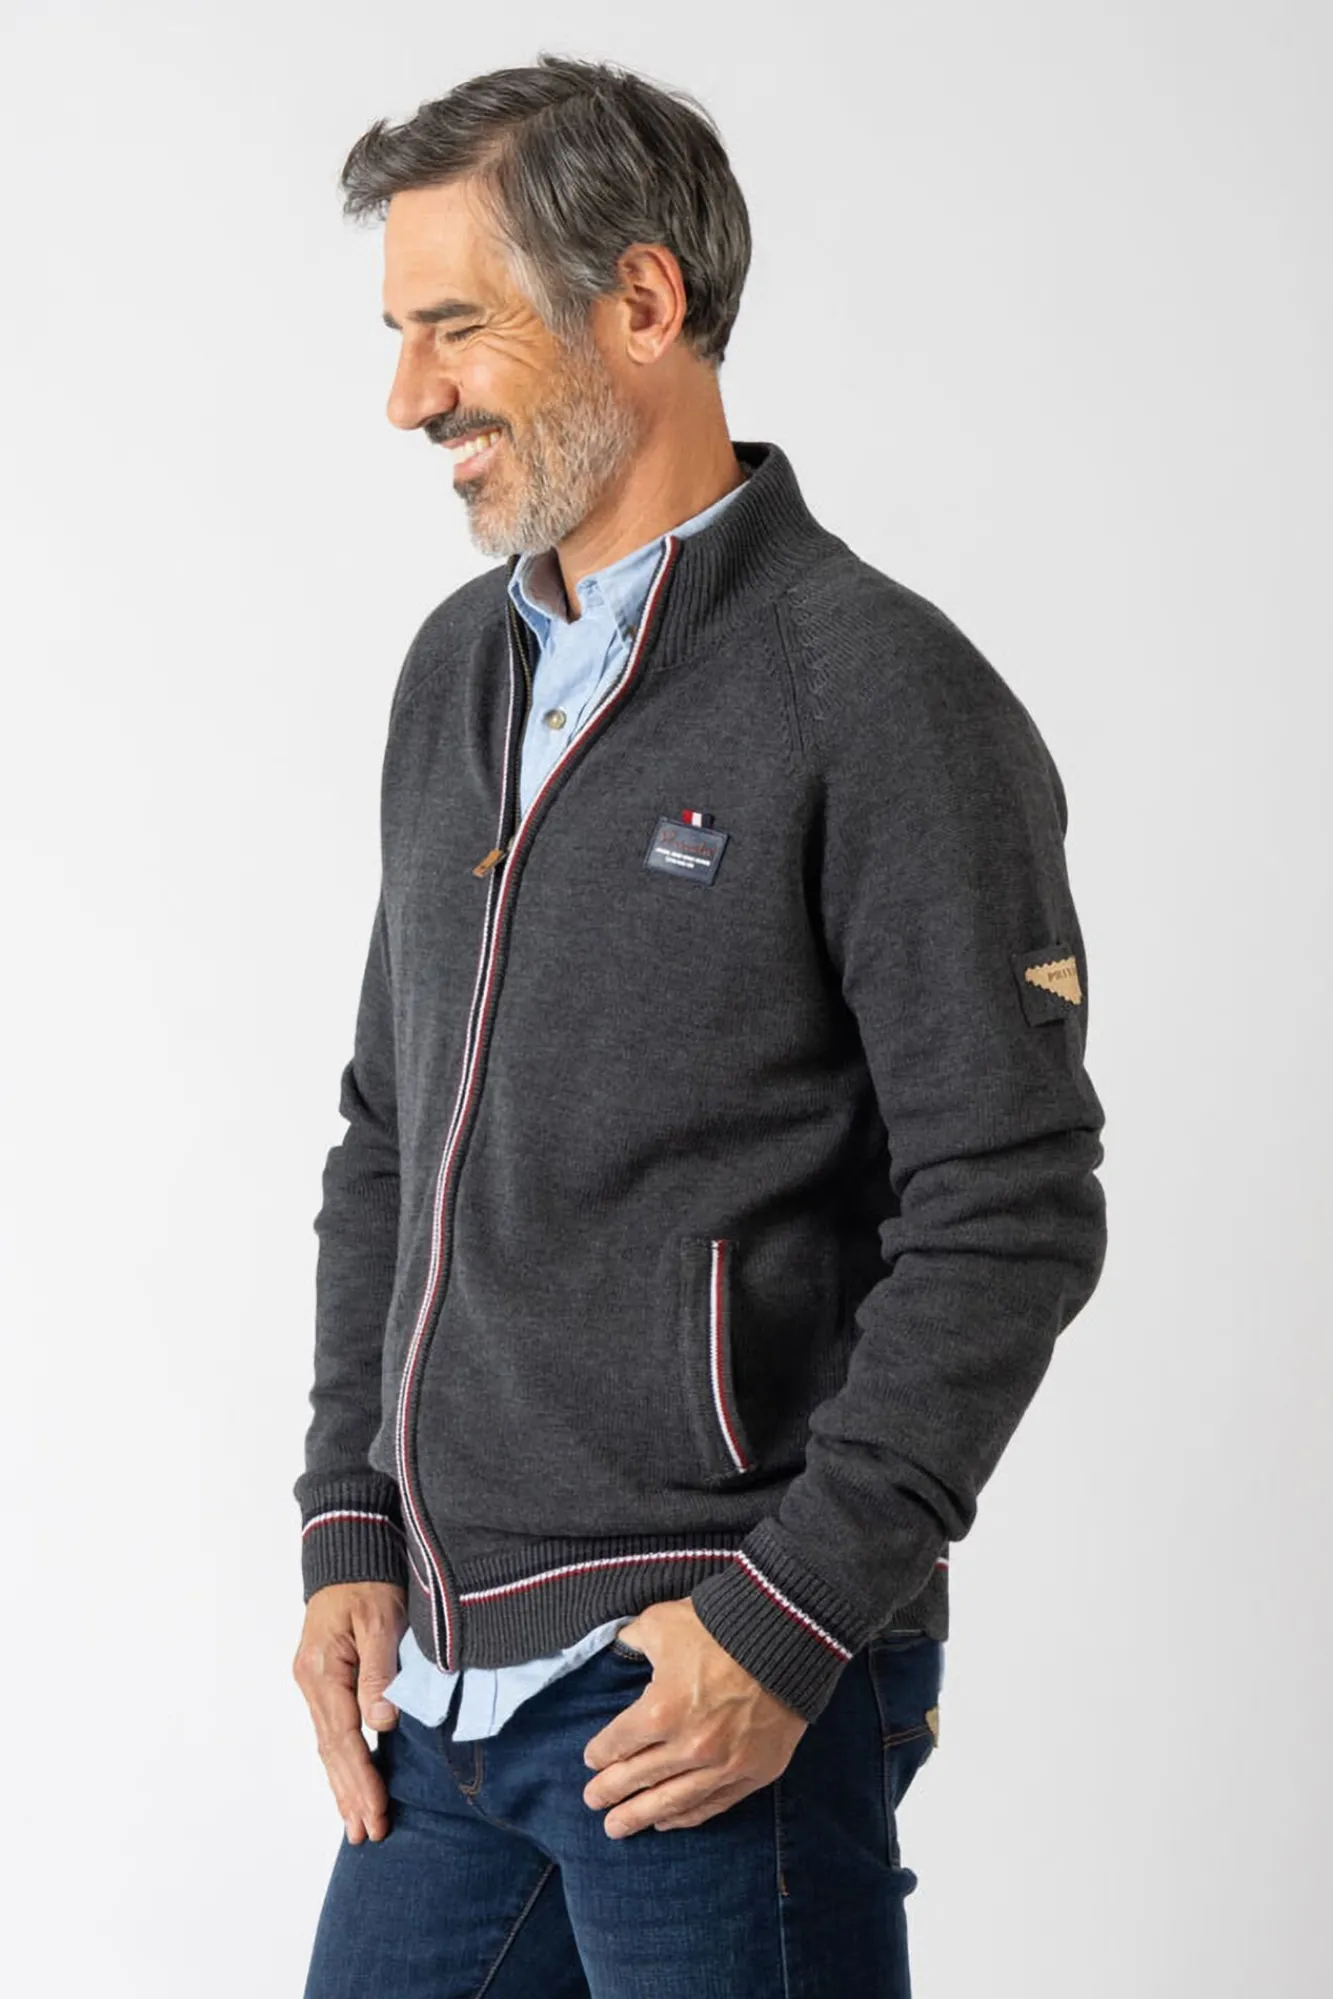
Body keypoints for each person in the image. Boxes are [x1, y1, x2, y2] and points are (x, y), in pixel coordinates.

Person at [291, 53, 1108, 1999]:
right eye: (399, 335)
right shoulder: (457, 674)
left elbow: (1012, 1206)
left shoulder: (879, 694)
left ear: (642, 304)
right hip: (448, 1684)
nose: (409, 397)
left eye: (454, 327)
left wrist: (791, 1615)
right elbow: (390, 1126)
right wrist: (348, 1518)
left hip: (708, 1679)